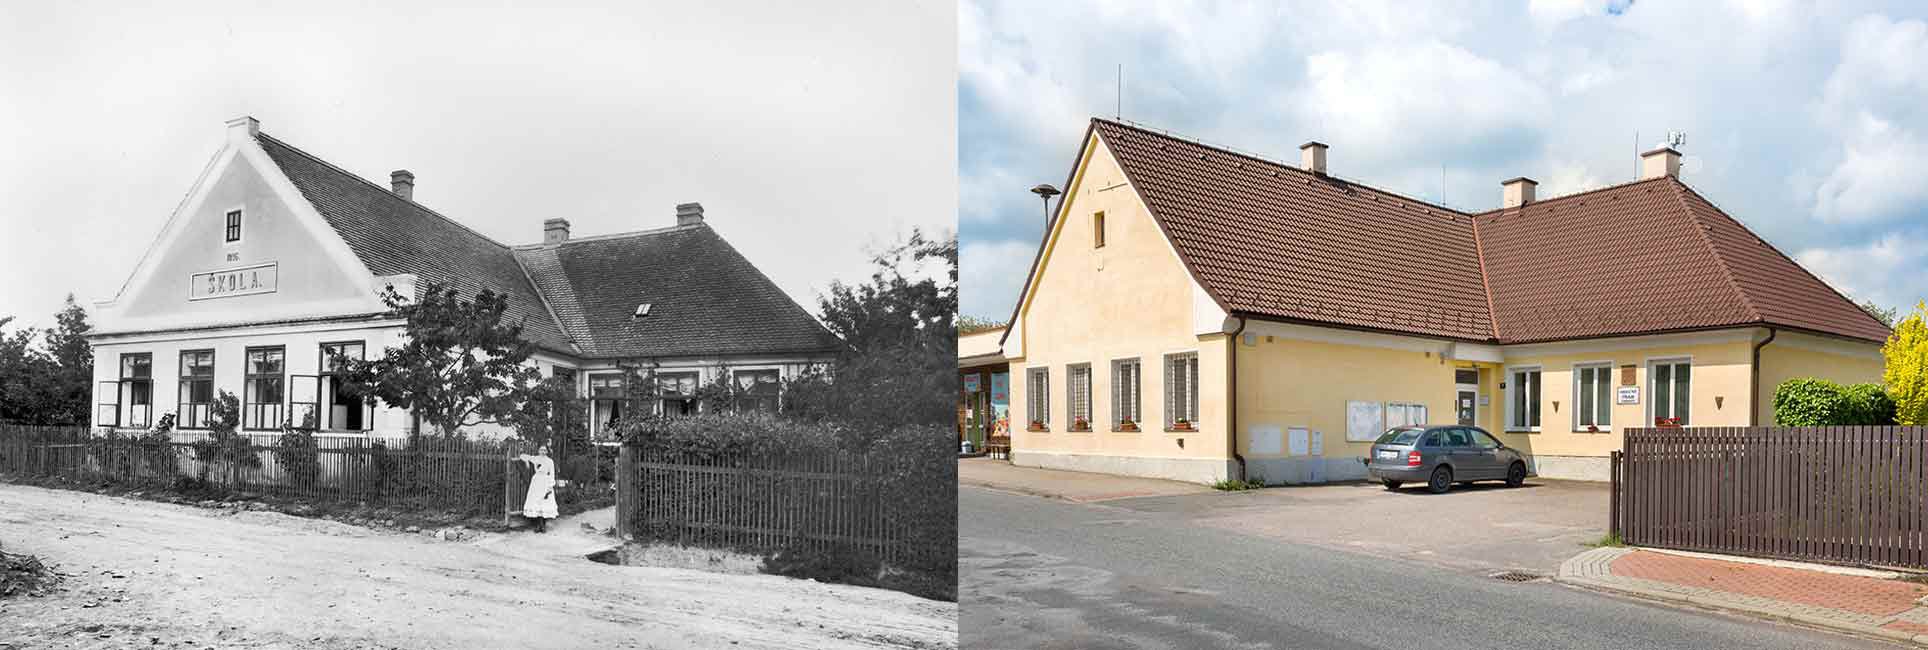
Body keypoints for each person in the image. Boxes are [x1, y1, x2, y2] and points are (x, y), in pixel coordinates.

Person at [517, 442, 559, 532]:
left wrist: (550, 486)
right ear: (538, 451)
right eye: (541, 450)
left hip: (545, 482)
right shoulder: (535, 459)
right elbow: (522, 455)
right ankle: (537, 525)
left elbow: (552, 474)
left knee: (545, 503)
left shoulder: (549, 461)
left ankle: (543, 525)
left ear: (547, 451)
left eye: (544, 450)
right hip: (536, 482)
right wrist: (527, 461)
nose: (543, 452)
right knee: (536, 503)